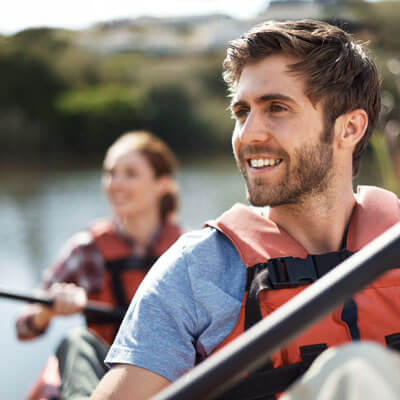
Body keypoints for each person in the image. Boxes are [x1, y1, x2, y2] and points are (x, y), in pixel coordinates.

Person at [91, 19, 400, 400]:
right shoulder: (195, 271)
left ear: (349, 129)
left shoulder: (393, 238)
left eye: (276, 108)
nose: (248, 134)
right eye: (242, 112)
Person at [16, 131, 184, 400]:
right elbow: (23, 327)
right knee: (76, 341)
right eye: (110, 173)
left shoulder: (187, 249)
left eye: (130, 174)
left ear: (162, 183)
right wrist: (47, 311)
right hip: (105, 375)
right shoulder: (87, 249)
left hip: (167, 376)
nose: (115, 184)